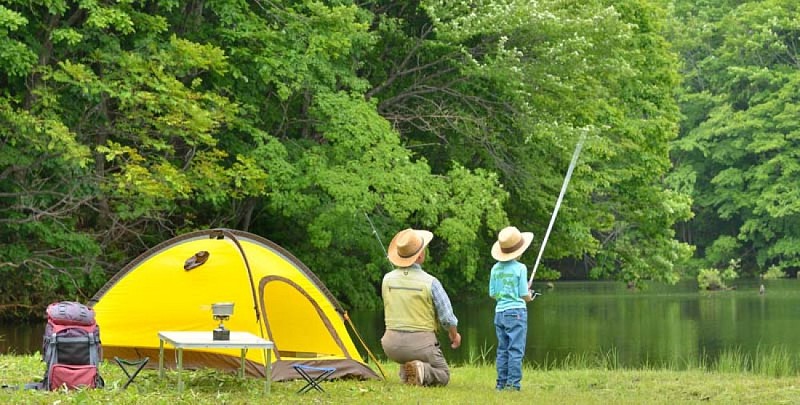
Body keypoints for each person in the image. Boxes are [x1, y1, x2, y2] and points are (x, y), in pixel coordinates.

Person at [381, 228, 462, 386]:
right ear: (419, 256)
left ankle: (410, 370)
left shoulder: (386, 279)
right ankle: (420, 368)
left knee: (410, 354)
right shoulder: (431, 282)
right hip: (420, 346)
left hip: (391, 346)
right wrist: (454, 335)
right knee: (443, 374)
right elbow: (447, 318)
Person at [489, 226, 535, 391]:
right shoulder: (520, 268)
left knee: (503, 350)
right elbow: (524, 294)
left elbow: (493, 293)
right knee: (515, 349)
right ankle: (513, 385)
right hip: (516, 313)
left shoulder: (495, 269)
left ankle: (500, 384)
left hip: (499, 313)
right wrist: (530, 295)